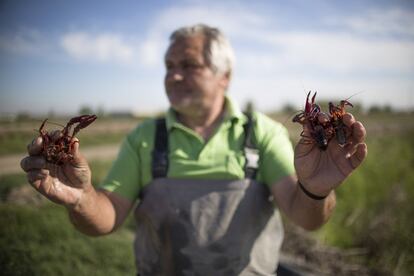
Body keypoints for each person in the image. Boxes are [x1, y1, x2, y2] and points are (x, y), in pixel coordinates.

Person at [20, 24, 367, 275]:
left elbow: (306, 218)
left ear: (224, 76)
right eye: (169, 67)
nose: (173, 76)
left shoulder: (262, 132)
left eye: (188, 65)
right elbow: (105, 218)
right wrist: (82, 198)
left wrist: (316, 190)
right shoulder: (144, 136)